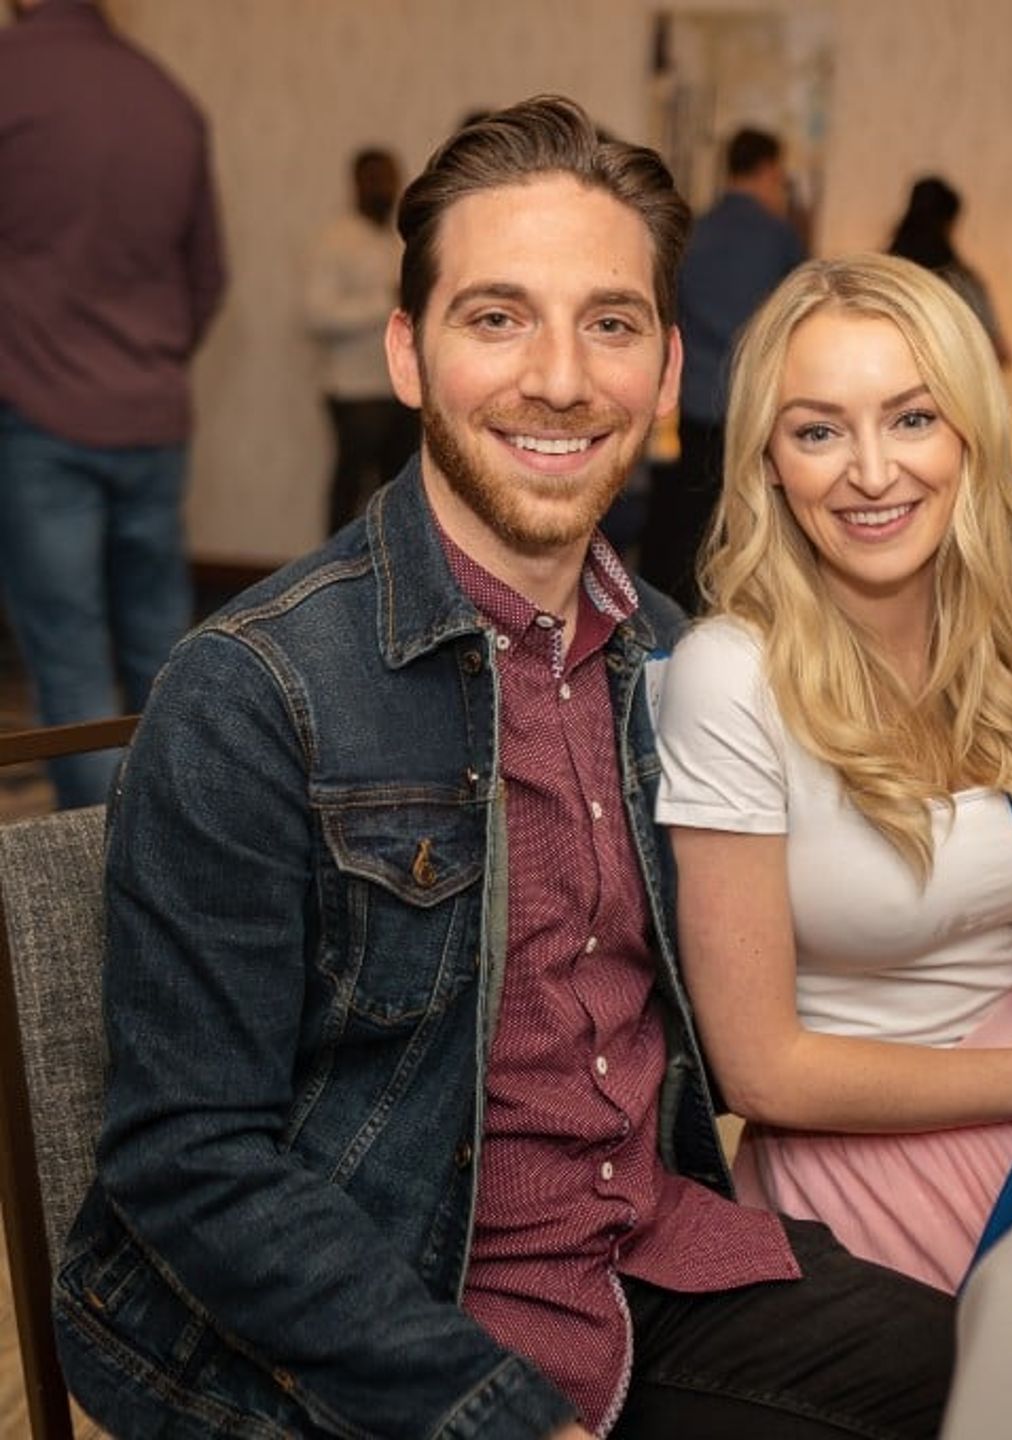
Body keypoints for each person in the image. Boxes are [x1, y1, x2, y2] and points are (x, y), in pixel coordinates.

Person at [52, 97, 963, 1440]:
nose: (558, 378)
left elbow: (756, 945)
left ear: (665, 373)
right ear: (408, 355)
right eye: (496, 318)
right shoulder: (253, 693)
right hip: (370, 1333)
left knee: (987, 1368)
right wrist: (491, 1416)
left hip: (638, 1259)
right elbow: (189, 1166)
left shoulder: (675, 659)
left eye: (610, 323)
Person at [654, 253, 1012, 1293]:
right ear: (769, 460)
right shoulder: (729, 676)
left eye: (911, 418)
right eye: (818, 431)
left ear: (968, 431)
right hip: (855, 1140)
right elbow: (759, 1069)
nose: (871, 472)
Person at [0, 0, 226, 807]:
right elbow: (206, 278)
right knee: (162, 661)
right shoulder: (167, 96)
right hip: (152, 419)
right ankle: (178, 866)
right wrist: (149, 360)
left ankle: (93, 908)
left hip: (35, 416)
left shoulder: (10, 77)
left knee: (70, 664)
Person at [637, 126, 805, 612]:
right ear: (770, 170)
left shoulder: (693, 232)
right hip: (754, 409)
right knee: (752, 525)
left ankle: (682, 623)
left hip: (696, 405)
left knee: (693, 522)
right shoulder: (780, 239)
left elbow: (667, 315)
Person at [304, 146, 419, 534]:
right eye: (375, 179)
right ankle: (333, 586)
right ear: (356, 182)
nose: (384, 187)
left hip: (398, 388)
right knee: (350, 492)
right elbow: (317, 314)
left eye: (390, 178)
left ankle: (392, 581)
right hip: (354, 392)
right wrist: (386, 300)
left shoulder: (398, 241)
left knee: (399, 493)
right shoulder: (335, 241)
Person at [888, 175, 1012, 369]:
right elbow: (999, 354)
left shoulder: (881, 276)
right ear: (949, 225)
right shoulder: (963, 283)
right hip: (950, 389)